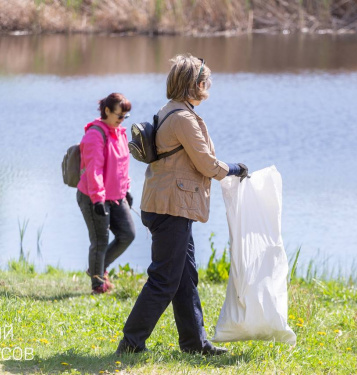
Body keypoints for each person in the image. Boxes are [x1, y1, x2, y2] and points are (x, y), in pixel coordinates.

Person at [116, 54, 248, 356]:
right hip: (170, 207)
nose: (209, 86)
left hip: (166, 203)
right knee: (164, 279)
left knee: (185, 277)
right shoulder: (183, 118)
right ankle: (131, 342)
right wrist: (234, 169)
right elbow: (205, 163)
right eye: (207, 81)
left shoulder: (171, 111)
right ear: (195, 85)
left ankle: (194, 343)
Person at [77, 93, 136, 294]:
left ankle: (97, 268)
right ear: (107, 111)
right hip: (94, 197)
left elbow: (122, 165)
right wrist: (97, 199)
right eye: (119, 115)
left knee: (128, 234)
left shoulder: (120, 133)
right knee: (100, 241)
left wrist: (126, 189)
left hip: (116, 196)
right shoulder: (95, 135)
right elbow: (94, 170)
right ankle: (98, 285)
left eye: (125, 117)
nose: (121, 120)